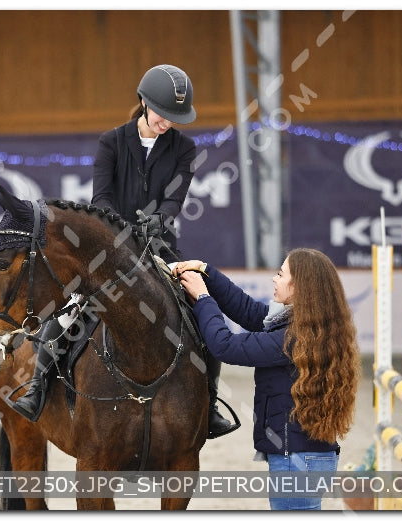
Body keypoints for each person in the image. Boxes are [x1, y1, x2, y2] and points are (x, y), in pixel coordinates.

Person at [12, 65, 236, 440]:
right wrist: (120, 230)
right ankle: (37, 388)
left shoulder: (185, 148)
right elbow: (101, 198)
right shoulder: (111, 143)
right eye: (164, 114)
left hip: (161, 245)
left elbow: (175, 198)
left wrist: (157, 221)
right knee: (71, 308)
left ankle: (209, 403)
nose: (169, 124)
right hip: (111, 246)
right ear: (145, 103)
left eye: (176, 118)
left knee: (200, 310)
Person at [173, 248, 361, 510]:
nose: (275, 279)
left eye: (281, 274)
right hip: (306, 457)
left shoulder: (292, 339)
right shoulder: (308, 330)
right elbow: (249, 312)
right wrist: (207, 271)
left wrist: (203, 297)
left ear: (299, 287)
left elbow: (225, 346)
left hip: (296, 462)